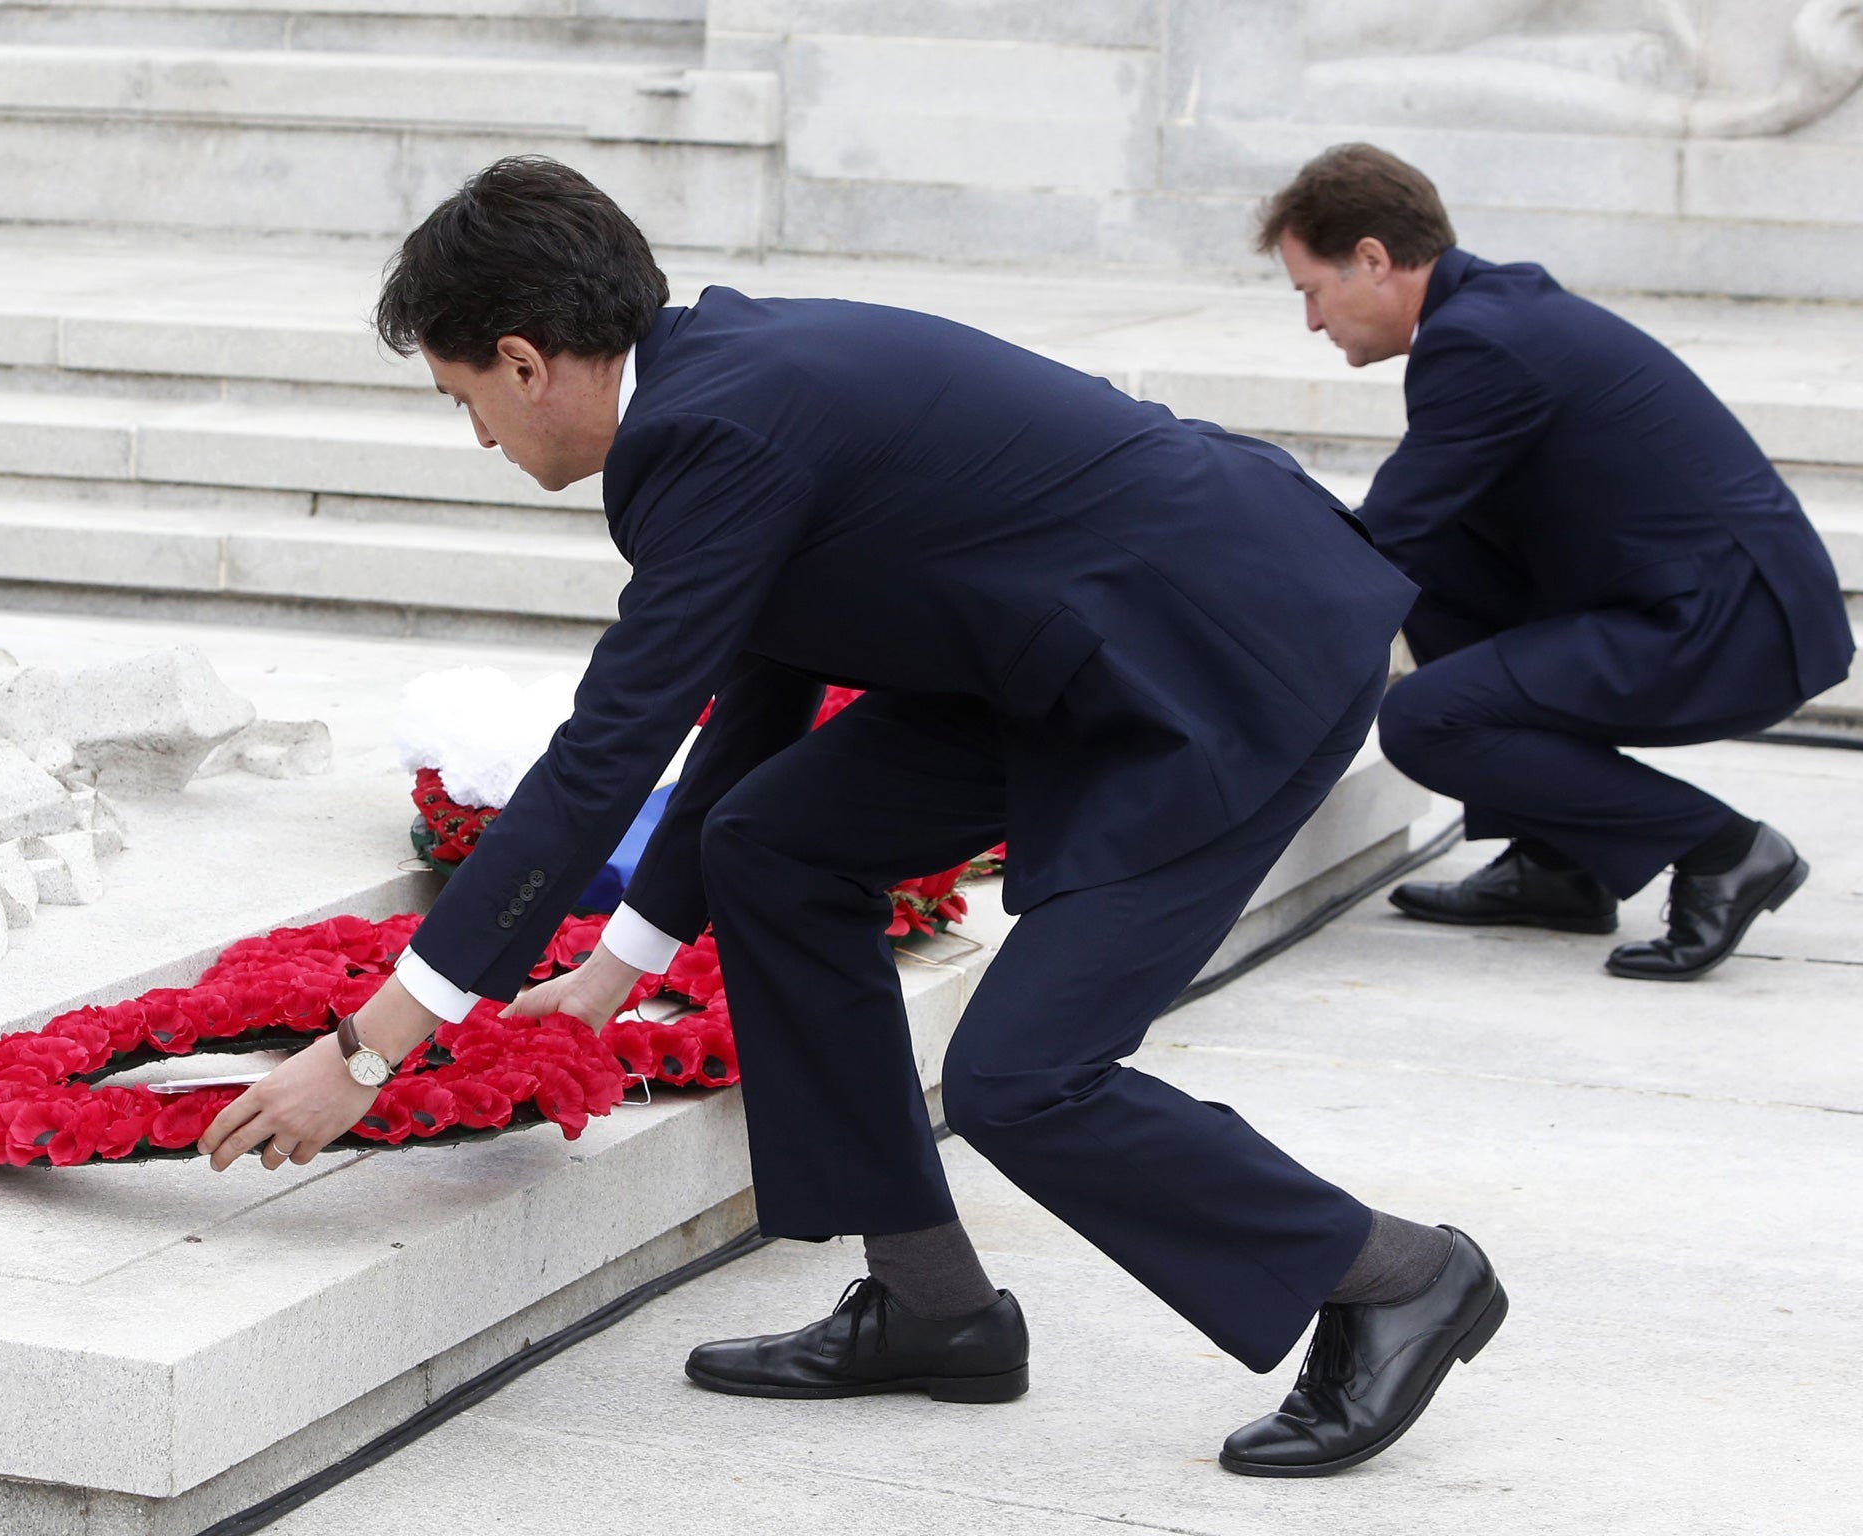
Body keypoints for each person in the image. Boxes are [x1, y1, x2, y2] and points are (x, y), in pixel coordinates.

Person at [200, 156, 1508, 1477]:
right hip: (1068, 657)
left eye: (464, 397)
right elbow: (759, 688)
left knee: (1023, 1080)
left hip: (1224, 662)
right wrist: (612, 974)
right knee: (768, 844)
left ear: (526, 362)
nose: (478, 436)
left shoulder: (712, 429)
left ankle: (1393, 1273)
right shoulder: (713, 392)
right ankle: (935, 1308)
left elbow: (606, 755)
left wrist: (368, 1052)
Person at [1259, 143, 1854, 980]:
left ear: (1372, 260)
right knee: (1435, 568)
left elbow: (1382, 533)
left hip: (1724, 624)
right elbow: (1414, 537)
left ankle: (1722, 848)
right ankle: (1556, 864)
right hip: (1700, 596)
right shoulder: (1491, 312)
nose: (1314, 322)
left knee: (1428, 719)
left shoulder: (1479, 344)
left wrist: (1220, 612)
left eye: (1312, 293)